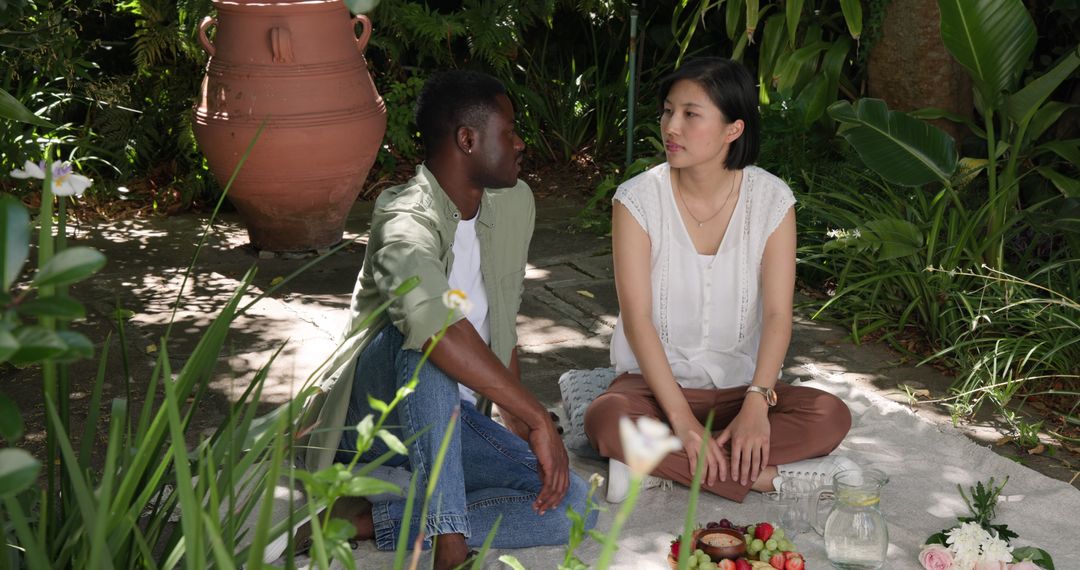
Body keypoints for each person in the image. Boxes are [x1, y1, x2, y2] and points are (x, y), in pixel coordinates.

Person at [297, 70, 595, 569]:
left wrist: (520, 427)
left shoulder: (514, 203)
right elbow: (433, 327)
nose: (520, 143)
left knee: (573, 505)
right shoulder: (403, 218)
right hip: (370, 423)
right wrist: (538, 415)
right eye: (509, 131)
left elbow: (502, 325)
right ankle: (449, 546)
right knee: (431, 339)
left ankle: (365, 519)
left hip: (453, 422)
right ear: (468, 139)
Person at [583, 57, 854, 504]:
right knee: (607, 420)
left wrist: (756, 403)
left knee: (831, 415)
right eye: (668, 111)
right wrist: (683, 421)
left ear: (733, 129)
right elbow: (637, 319)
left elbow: (777, 315)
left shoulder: (771, 200)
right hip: (655, 392)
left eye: (691, 114)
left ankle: (662, 466)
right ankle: (768, 479)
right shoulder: (636, 200)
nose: (671, 126)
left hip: (740, 391)